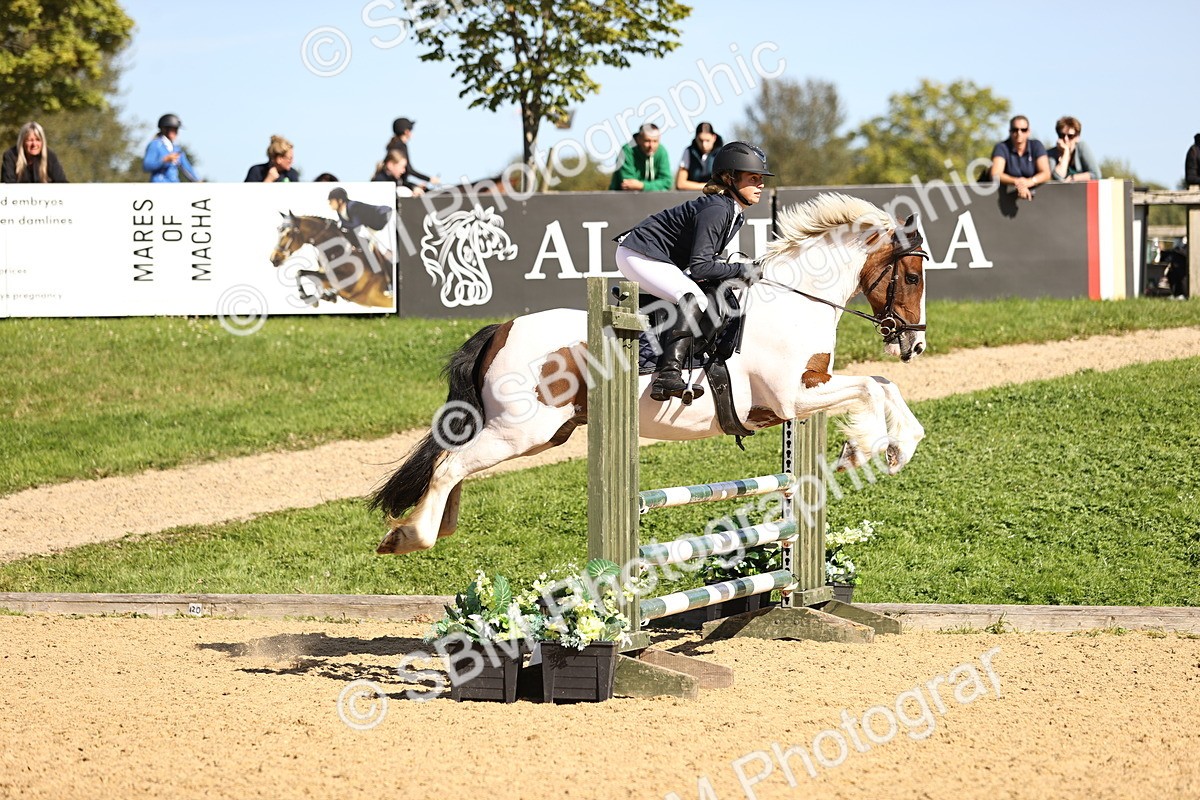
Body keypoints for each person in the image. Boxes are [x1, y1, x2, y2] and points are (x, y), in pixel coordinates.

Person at [614, 141, 771, 400]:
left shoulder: (733, 212)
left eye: (761, 179)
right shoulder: (718, 209)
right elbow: (701, 266)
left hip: (655, 257)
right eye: (753, 178)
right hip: (638, 253)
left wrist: (738, 269)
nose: (761, 185)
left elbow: (707, 265)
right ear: (729, 178)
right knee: (693, 297)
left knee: (698, 291)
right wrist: (741, 268)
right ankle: (668, 375)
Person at [327, 187, 395, 296]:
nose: (329, 203)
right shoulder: (340, 212)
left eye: (331, 201)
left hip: (386, 220)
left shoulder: (353, 206)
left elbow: (357, 225)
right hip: (372, 228)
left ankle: (392, 284)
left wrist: (340, 226)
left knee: (383, 252)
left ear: (340, 200)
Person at [989, 115, 1050, 201]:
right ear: (1010, 131)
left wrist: (1030, 181)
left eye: (1023, 130)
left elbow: (1046, 173)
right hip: (1003, 200)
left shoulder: (1036, 146)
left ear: (1028, 131)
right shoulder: (1001, 147)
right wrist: (1017, 182)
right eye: (1015, 130)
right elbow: (995, 174)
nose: (1019, 133)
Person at [609, 123, 673, 192]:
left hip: (653, 199)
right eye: (647, 141)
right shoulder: (627, 150)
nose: (651, 145)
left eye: (655, 141)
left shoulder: (662, 151)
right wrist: (656, 186)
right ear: (638, 139)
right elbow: (628, 184)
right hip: (622, 198)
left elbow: (667, 182)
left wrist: (642, 185)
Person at [1, 122, 68, 183]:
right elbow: (8, 184)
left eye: (38, 140)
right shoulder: (10, 156)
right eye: (29, 140)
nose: (34, 144)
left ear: (42, 142)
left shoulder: (50, 156)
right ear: (22, 142)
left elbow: (62, 183)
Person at [387, 117, 439, 194]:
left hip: (399, 183)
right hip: (399, 184)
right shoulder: (401, 146)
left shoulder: (394, 145)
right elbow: (409, 170)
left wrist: (415, 185)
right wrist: (429, 179)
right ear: (406, 132)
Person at [143, 113, 198, 182]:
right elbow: (147, 166)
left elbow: (187, 168)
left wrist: (198, 180)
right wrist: (164, 161)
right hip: (159, 186)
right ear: (164, 129)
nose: (175, 133)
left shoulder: (176, 149)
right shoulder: (155, 145)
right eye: (173, 130)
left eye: (176, 130)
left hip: (174, 185)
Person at [1046, 116, 1101, 183]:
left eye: (1070, 136)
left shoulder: (1082, 147)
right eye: (1062, 135)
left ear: (1077, 137)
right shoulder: (1050, 154)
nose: (1066, 139)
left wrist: (1074, 178)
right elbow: (1058, 177)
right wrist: (1066, 152)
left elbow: (1096, 174)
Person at [674, 122, 724, 191]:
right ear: (696, 138)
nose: (704, 144)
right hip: (691, 197)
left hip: (715, 197)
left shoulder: (723, 153)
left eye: (707, 140)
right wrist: (707, 186)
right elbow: (680, 183)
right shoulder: (688, 151)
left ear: (714, 138)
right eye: (701, 140)